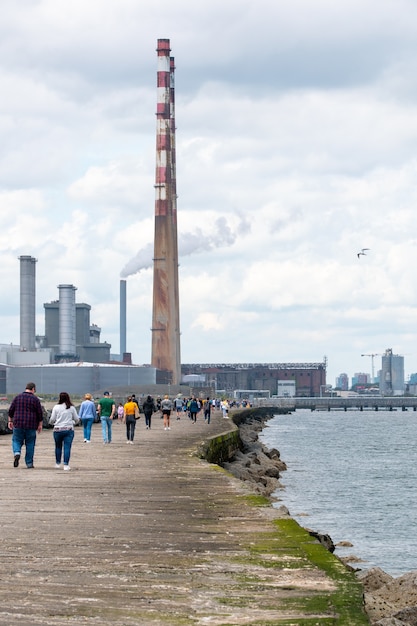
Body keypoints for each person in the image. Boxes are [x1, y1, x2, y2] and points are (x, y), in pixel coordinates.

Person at [7, 382, 44, 469]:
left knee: (16, 440)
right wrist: (40, 425)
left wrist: (10, 421)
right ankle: (29, 463)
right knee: (30, 443)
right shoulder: (35, 399)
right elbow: (40, 413)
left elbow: (11, 410)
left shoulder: (17, 397)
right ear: (33, 389)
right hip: (31, 425)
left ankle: (17, 452)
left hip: (18, 424)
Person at [49, 391, 80, 470]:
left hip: (57, 429)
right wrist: (72, 422)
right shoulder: (71, 407)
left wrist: (53, 423)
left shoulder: (56, 407)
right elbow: (77, 419)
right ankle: (66, 465)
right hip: (68, 429)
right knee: (67, 447)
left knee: (58, 446)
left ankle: (57, 463)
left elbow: (52, 419)